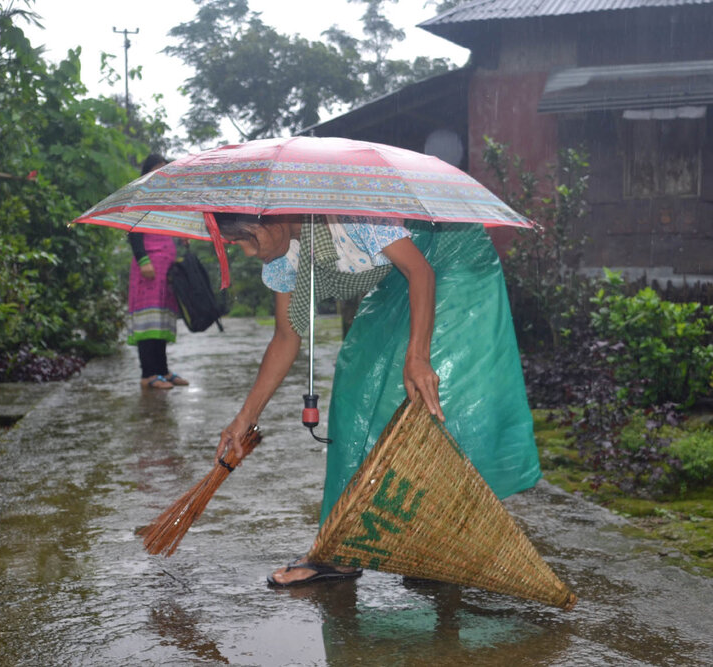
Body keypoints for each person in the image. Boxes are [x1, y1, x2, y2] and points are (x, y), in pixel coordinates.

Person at [213, 213, 541, 586]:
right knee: (357, 379)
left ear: (274, 218)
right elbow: (287, 337)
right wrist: (246, 417)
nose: (240, 249)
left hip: (453, 257)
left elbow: (422, 273)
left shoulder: (351, 214)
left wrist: (417, 356)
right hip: (401, 273)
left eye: (242, 237)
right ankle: (341, 550)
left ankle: (447, 539)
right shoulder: (283, 259)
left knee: (436, 382)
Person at [127, 154, 188, 389]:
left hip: (165, 272)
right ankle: (148, 375)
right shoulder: (140, 197)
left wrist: (183, 237)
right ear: (147, 172)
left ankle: (162, 371)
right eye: (157, 169)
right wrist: (143, 260)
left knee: (160, 321)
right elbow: (133, 232)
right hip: (148, 271)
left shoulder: (164, 199)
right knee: (148, 321)